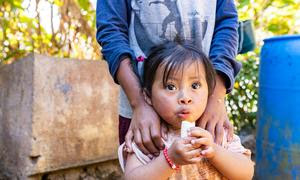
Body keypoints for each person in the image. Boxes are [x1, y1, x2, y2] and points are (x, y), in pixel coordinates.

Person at [96, 0, 242, 156]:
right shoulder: (142, 106)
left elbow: (227, 24)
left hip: (206, 109)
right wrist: (139, 103)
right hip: (141, 112)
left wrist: (216, 97)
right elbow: (112, 30)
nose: (184, 98)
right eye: (170, 86)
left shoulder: (216, 124)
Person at [118, 40, 254, 179]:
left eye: (195, 85)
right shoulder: (149, 137)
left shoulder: (215, 131)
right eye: (170, 87)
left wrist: (215, 152)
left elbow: (246, 173)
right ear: (148, 96)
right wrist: (169, 159)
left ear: (209, 91)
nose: (185, 97)